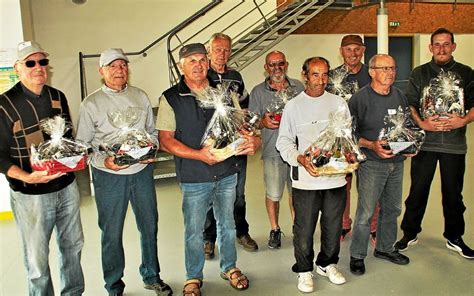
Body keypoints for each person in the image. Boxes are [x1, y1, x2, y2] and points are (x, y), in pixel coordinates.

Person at [157, 43, 260, 296]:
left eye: (202, 59)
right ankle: (193, 277)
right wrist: (198, 155)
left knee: (227, 223)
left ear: (208, 61)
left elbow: (241, 126)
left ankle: (230, 267)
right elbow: (165, 140)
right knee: (194, 230)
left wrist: (252, 140)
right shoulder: (171, 97)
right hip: (194, 176)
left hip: (227, 171)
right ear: (181, 66)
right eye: (191, 60)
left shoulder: (224, 92)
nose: (198, 65)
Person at [76, 48, 172, 296]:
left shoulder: (140, 96)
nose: (119, 70)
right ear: (101, 71)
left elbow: (152, 132)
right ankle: (114, 284)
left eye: (122, 65)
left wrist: (150, 149)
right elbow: (84, 147)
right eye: (112, 66)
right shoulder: (91, 104)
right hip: (109, 178)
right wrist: (104, 161)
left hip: (141, 173)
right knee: (111, 233)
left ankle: (152, 275)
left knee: (149, 227)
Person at [0, 41, 84, 295]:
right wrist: (27, 176)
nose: (38, 67)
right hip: (30, 195)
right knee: (37, 260)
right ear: (18, 68)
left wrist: (78, 156)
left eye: (42, 61)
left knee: (73, 247)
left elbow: (67, 138)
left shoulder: (57, 96)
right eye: (30, 63)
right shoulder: (4, 105)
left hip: (67, 188)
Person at [394, 28, 474, 259]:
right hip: (425, 145)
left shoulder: (466, 73)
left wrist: (463, 120)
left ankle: (454, 236)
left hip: (454, 146)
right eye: (437, 44)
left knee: (453, 194)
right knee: (418, 191)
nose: (441, 48)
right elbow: (409, 104)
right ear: (430, 47)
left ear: (453, 46)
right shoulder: (420, 73)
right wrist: (423, 124)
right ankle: (410, 232)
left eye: (446, 44)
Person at [276, 57, 348, 293]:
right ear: (305, 75)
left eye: (325, 74)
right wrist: (300, 159)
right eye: (315, 75)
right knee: (304, 228)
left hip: (335, 178)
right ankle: (304, 269)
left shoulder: (339, 103)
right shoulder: (294, 106)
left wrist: (346, 157)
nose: (321, 80)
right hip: (305, 181)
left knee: (333, 226)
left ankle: (327, 264)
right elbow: (284, 142)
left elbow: (346, 139)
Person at [349, 54, 411, 276]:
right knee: (366, 212)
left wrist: (410, 145)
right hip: (371, 164)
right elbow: (349, 134)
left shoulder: (400, 96)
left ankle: (385, 248)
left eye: (393, 68)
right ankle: (357, 255)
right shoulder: (360, 99)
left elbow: (405, 127)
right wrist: (371, 145)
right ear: (372, 71)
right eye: (384, 68)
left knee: (393, 208)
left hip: (397, 163)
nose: (390, 72)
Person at [203, 32, 258, 258]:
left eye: (226, 49)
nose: (222, 54)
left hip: (236, 145)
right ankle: (209, 238)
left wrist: (246, 125)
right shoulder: (200, 75)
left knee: (238, 193)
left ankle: (241, 231)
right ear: (209, 51)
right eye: (217, 49)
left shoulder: (235, 76)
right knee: (209, 193)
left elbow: (244, 106)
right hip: (211, 146)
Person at [248, 50, 304, 249]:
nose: (276, 67)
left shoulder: (299, 87)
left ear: (286, 64)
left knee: (297, 192)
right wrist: (263, 122)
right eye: (272, 64)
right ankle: (274, 229)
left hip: (299, 151)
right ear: (266, 68)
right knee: (273, 193)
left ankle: (299, 228)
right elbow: (251, 123)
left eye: (280, 63)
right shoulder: (257, 92)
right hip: (273, 151)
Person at [328, 34, 379, 243]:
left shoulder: (373, 74)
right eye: (348, 49)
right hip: (341, 142)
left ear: (364, 50)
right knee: (342, 185)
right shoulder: (331, 77)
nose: (353, 53)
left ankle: (373, 227)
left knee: (370, 185)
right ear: (341, 51)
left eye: (357, 49)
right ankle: (343, 225)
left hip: (368, 139)